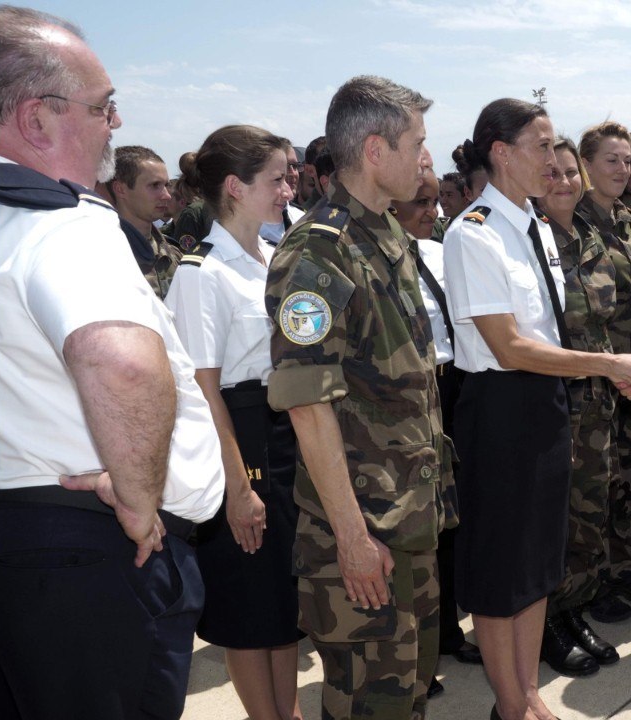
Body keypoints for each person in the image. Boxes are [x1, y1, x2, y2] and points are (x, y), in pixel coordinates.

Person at [0, 7, 224, 719]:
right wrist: (138, 495)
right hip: (95, 552)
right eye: (104, 107)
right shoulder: (58, 224)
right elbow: (121, 362)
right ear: (38, 120)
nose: (116, 124)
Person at [441, 98, 631, 720]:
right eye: (541, 146)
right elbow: (508, 346)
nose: (554, 159)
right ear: (501, 154)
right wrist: (609, 364)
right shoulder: (474, 233)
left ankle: (529, 692)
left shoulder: (535, 227)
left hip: (544, 403)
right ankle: (508, 704)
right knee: (501, 566)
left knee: (538, 563)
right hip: (501, 407)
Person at [265, 75, 453, 720]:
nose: (426, 156)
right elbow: (306, 401)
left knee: (405, 695)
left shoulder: (386, 236)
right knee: (369, 701)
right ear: (376, 151)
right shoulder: (318, 255)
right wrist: (350, 536)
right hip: (363, 530)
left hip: (408, 518)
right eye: (417, 144)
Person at [165, 124, 304, 720]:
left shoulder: (274, 258)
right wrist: (238, 488)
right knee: (251, 608)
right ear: (234, 187)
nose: (289, 187)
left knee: (283, 603)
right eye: (277, 177)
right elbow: (201, 390)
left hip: (284, 434)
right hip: (239, 440)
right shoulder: (202, 273)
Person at [532, 136, 624, 676]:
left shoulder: (591, 234)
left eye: (571, 173)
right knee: (555, 520)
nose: (564, 182)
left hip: (598, 398)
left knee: (589, 512)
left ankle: (575, 609)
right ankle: (547, 623)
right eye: (553, 173)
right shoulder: (531, 239)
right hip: (555, 400)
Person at [392, 173, 483, 699]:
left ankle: (447, 632)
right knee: (419, 524)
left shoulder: (440, 251)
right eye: (420, 202)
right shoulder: (382, 260)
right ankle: (418, 652)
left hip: (454, 388)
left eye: (434, 202)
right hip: (413, 395)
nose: (433, 210)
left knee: (450, 517)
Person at [574, 121, 631, 625]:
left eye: (628, 161)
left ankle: (622, 562)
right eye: (611, 160)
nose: (622, 169)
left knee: (629, 469)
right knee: (595, 479)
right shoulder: (571, 221)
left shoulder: (628, 216)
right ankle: (590, 581)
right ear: (586, 164)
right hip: (596, 370)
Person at [107, 144, 181, 299]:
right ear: (121, 189)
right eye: (155, 185)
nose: (166, 195)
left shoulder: (174, 254)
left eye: (165, 185)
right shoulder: (103, 255)